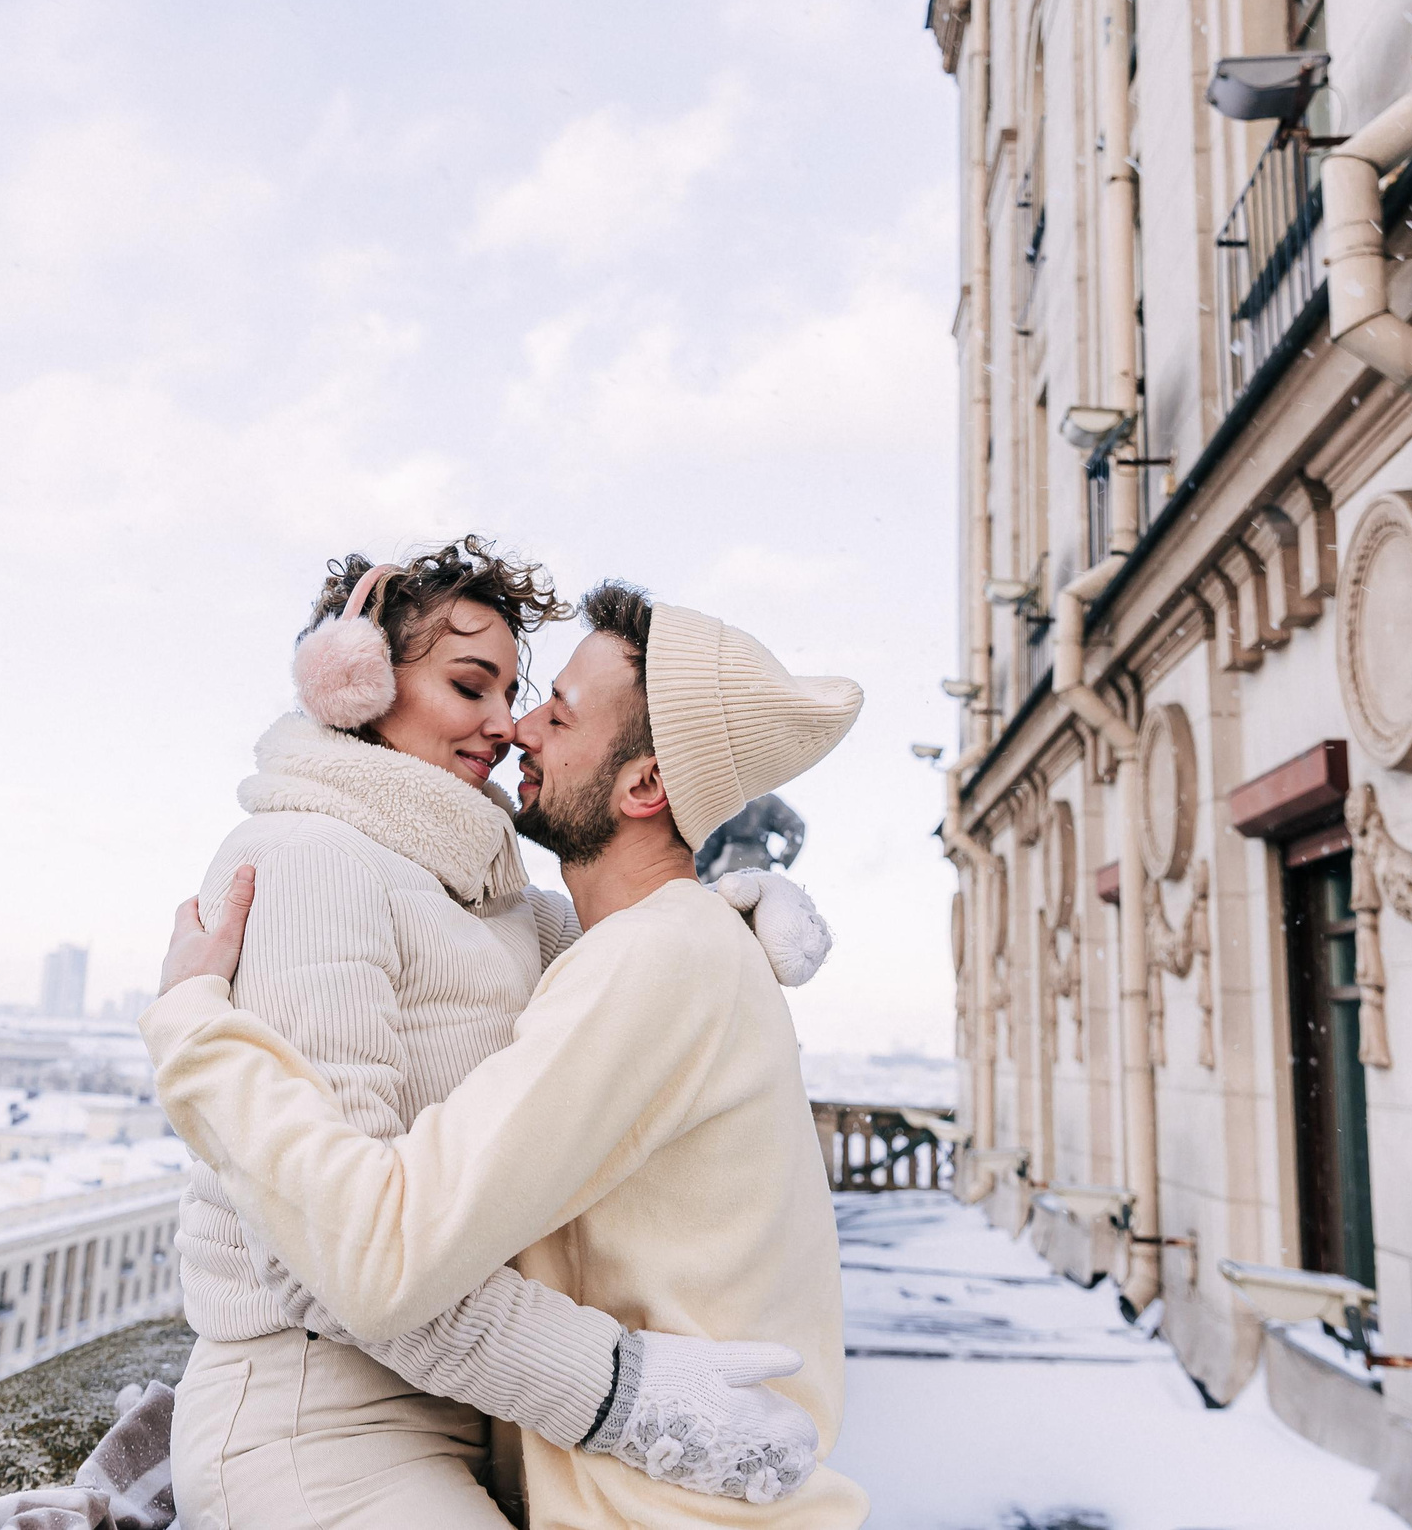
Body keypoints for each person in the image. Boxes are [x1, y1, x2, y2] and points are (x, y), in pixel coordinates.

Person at [147, 581, 870, 1529]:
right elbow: (337, 1260)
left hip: (482, 1417)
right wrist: (195, 1028)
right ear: (356, 687)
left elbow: (637, 974)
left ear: (645, 783)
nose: (510, 725)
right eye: (471, 685)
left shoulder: (508, 909)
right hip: (320, 1424)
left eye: (536, 700)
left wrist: (716, 912)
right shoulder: (304, 860)